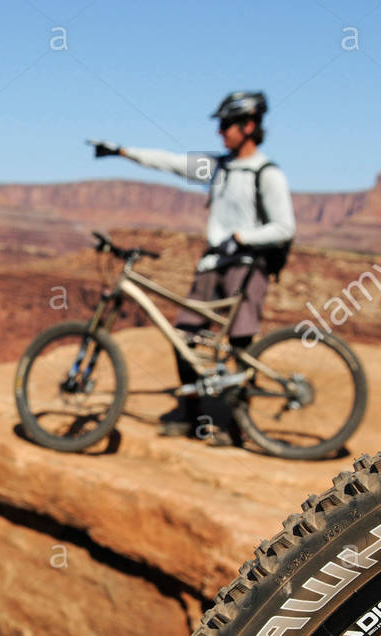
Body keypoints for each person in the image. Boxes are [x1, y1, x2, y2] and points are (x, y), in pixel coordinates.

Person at [89, 91, 295, 443]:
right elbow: (168, 162)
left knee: (240, 343)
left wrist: (242, 238)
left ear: (249, 126)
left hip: (245, 267)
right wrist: (121, 151)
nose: (221, 132)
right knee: (184, 336)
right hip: (212, 264)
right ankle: (192, 416)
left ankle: (239, 427)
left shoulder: (266, 174)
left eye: (227, 124)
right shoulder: (218, 168)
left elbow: (285, 227)